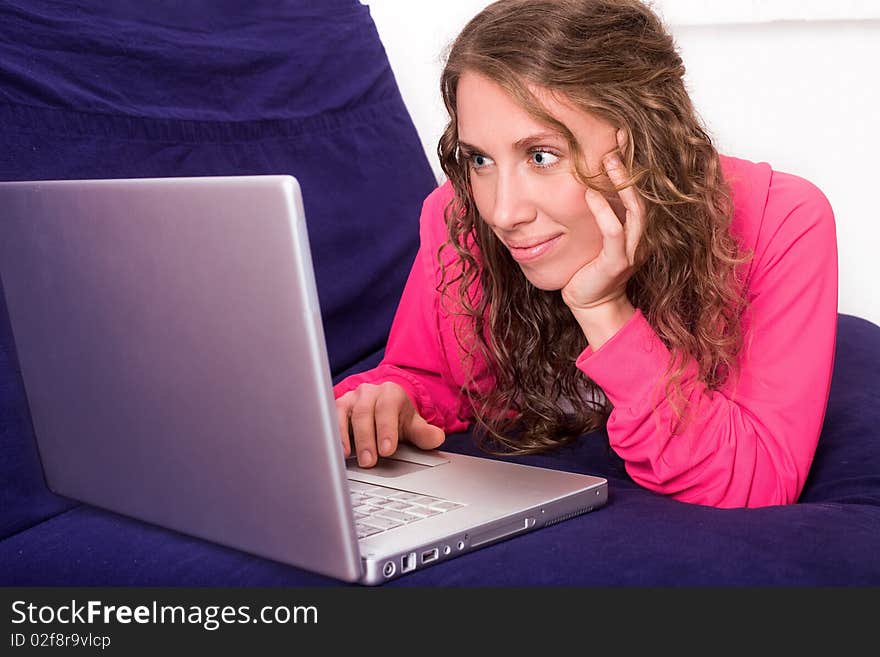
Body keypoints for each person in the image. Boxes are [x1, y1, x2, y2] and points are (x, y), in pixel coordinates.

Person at [333, 0, 838, 508]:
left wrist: (604, 310)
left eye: (541, 155)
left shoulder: (785, 220)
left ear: (644, 138)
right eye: (480, 159)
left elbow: (753, 483)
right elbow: (427, 374)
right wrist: (394, 402)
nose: (503, 212)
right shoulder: (458, 214)